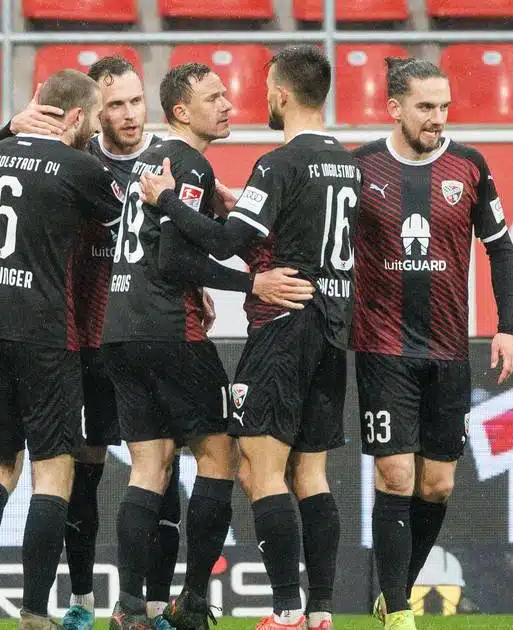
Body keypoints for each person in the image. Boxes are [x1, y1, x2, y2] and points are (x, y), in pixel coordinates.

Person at [138, 46, 356, 630]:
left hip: (282, 329)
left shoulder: (278, 164)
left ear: (282, 95)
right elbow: (288, 229)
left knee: (260, 470)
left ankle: (284, 610)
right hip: (333, 327)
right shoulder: (347, 164)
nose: (251, 102)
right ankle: (320, 612)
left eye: (264, 92)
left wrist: (166, 201)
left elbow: (226, 241)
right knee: (310, 474)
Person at [101, 62, 317, 630]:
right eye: (213, 98)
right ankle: (194, 598)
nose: (227, 104)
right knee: (220, 454)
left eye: (226, 94)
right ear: (181, 111)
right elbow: (174, 258)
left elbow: (162, 246)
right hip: (171, 330)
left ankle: (129, 608)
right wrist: (253, 283)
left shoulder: (149, 161)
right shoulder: (188, 163)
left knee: (149, 467)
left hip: (120, 328)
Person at [0, 56, 186, 630]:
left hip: (147, 336)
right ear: (93, 111)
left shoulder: (167, 162)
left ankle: (152, 602)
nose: (128, 114)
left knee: (162, 468)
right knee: (83, 473)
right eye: (114, 104)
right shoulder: (72, 162)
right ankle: (81, 600)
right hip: (84, 341)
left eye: (135, 101)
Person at [0, 69, 123, 630]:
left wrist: (7, 128)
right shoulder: (82, 167)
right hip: (47, 333)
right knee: (53, 472)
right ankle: (35, 611)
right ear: (76, 117)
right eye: (95, 116)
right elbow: (121, 220)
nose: (98, 126)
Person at [351, 57, 513, 630]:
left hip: (448, 350)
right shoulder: (361, 168)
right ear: (393, 108)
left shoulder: (469, 165)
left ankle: (392, 593)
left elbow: (501, 248)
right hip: (382, 346)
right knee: (395, 475)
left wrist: (506, 325)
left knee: (438, 484)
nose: (438, 117)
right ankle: (400, 612)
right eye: (426, 106)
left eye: (444, 106)